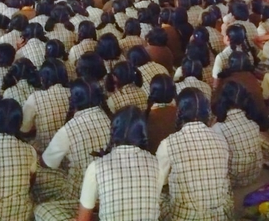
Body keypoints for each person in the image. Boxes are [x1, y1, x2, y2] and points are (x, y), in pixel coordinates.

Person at [73, 106, 161, 221]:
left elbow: (83, 219)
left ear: (113, 130)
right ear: (143, 132)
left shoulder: (97, 167)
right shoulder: (156, 163)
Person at [156, 88, 233, 220]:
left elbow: (158, 182)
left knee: (155, 193)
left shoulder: (168, 144)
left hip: (185, 217)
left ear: (179, 112)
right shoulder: (221, 139)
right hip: (219, 216)